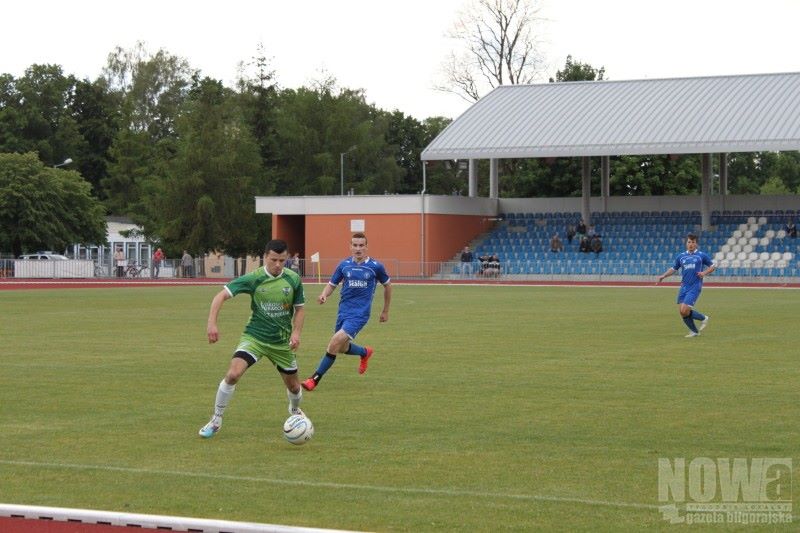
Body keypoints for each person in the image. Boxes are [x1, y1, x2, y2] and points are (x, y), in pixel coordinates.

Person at [198, 239, 306, 438]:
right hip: (254, 337)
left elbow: (299, 309)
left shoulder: (293, 279)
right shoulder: (253, 278)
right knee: (232, 374)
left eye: (282, 260)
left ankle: (294, 412)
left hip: (281, 342)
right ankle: (216, 420)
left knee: (294, 386)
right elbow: (219, 296)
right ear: (266, 257)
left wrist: (296, 333)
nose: (278, 264)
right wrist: (212, 323)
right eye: (274, 259)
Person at [301, 232, 392, 391]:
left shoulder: (376, 267)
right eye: (355, 245)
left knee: (334, 342)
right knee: (342, 348)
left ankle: (314, 379)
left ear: (366, 247)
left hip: (360, 314)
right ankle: (364, 352)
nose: (358, 248)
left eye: (361, 245)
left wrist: (385, 310)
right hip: (343, 312)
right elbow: (332, 284)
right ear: (350, 246)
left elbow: (388, 286)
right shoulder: (344, 265)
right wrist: (324, 294)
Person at [657, 233, 716, 338]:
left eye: (693, 242)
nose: (691, 244)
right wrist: (663, 276)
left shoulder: (701, 255)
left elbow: (712, 266)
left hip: (695, 286)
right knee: (682, 312)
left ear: (696, 244)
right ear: (686, 243)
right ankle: (694, 331)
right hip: (684, 286)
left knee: (685, 310)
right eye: (689, 242)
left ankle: (703, 318)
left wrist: (704, 273)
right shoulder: (681, 256)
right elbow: (674, 269)